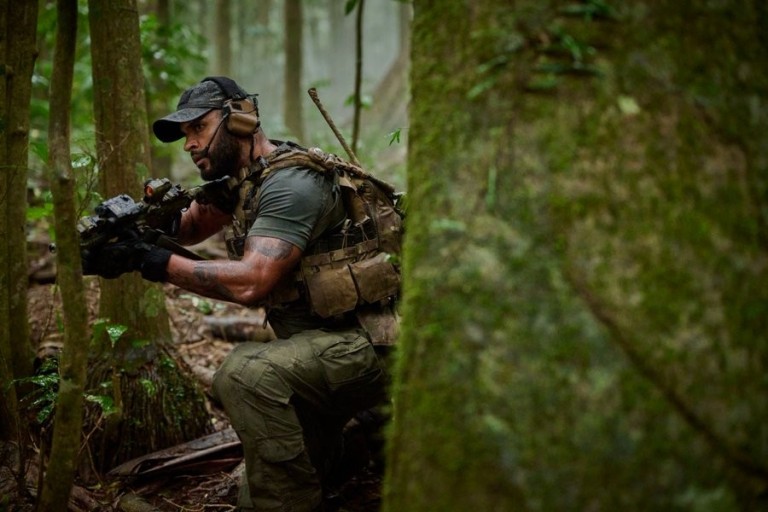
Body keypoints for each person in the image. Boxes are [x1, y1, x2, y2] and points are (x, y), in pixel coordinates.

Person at [84, 76, 400, 511]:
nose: (189, 144)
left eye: (198, 128)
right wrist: (131, 235)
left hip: (372, 347)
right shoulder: (248, 179)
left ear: (240, 119)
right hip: (323, 347)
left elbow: (252, 281)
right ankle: (359, 436)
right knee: (257, 493)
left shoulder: (292, 185)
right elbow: (190, 227)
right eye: (185, 134)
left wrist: (150, 261)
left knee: (245, 373)